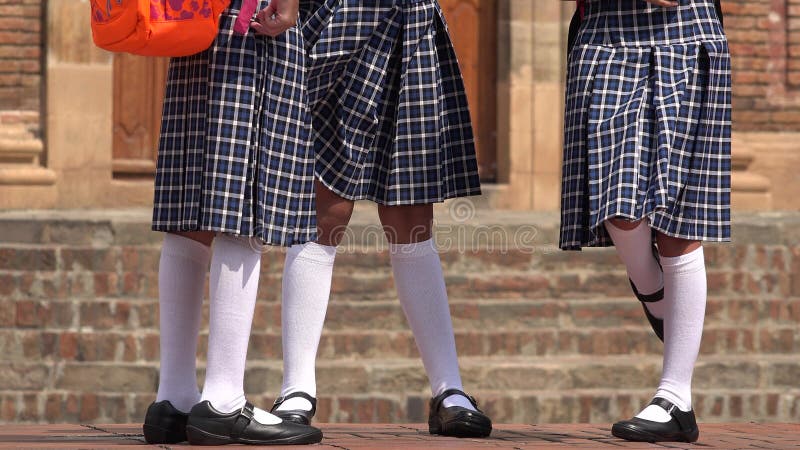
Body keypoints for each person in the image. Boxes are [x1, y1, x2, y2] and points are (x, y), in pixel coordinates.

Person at [268, 0, 492, 438]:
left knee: (410, 213)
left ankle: (449, 389)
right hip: (340, 14)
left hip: (412, 21)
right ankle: (296, 387)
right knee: (325, 206)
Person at [142, 0, 323, 445]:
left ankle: (175, 398)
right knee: (244, 203)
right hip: (253, 24)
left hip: (199, 20)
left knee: (191, 201)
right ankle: (222, 401)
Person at [563, 0, 730, 443]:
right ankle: (654, 292)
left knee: (679, 223)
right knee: (614, 202)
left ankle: (676, 399)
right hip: (604, 33)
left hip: (685, 32)